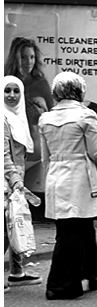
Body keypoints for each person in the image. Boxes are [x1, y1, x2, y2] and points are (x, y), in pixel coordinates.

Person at [37, 72, 97, 300]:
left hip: (56, 176)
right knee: (74, 233)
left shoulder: (45, 119)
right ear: (80, 92)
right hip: (80, 177)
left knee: (72, 228)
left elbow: (46, 158)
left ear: (55, 93)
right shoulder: (86, 116)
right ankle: (61, 284)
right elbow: (95, 153)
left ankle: (92, 271)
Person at [4, 75, 42, 288]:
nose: (11, 95)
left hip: (15, 178)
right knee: (5, 226)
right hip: (7, 179)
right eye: (7, 90)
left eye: (16, 91)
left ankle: (17, 271)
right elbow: (4, 155)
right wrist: (15, 178)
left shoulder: (17, 116)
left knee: (14, 222)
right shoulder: (3, 118)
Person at [5, 37, 53, 197]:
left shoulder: (40, 84)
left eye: (32, 57)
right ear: (16, 58)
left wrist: (41, 115)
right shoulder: (8, 81)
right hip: (10, 144)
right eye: (24, 57)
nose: (29, 62)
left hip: (33, 146)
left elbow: (52, 116)